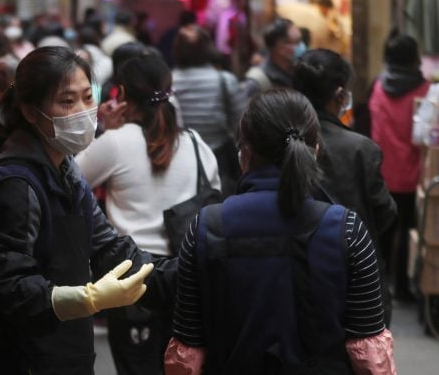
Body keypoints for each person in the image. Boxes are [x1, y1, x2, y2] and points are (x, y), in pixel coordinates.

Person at [0, 46, 175, 374]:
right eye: (67, 101)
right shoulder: (15, 184)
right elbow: (9, 286)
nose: (82, 111)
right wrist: (87, 298)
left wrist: (186, 273)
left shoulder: (67, 171)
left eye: (87, 97)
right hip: (24, 359)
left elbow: (109, 247)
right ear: (31, 111)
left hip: (69, 353)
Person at [166, 89, 396, 374]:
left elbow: (187, 352)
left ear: (244, 154)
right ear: (315, 151)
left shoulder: (206, 227)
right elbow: (370, 354)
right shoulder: (347, 229)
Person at [76, 54, 220, 375]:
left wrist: (104, 130)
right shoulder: (196, 144)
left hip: (130, 275)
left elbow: (71, 180)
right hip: (185, 274)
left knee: (136, 366)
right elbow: (214, 193)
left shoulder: (115, 142)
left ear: (122, 95)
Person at [293, 48, 397, 324]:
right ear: (340, 95)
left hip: (292, 269)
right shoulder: (361, 149)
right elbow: (384, 212)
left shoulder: (279, 141)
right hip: (354, 273)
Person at [369, 33, 431, 301]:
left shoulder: (378, 85)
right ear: (415, 58)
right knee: (408, 231)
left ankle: (377, 285)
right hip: (412, 173)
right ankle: (404, 288)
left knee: (382, 230)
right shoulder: (426, 90)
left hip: (380, 172)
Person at [172, 25, 245, 195]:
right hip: (219, 156)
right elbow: (241, 123)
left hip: (181, 156)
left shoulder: (169, 82)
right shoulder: (224, 80)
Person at [243, 18, 303, 97]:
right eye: (297, 42)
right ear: (280, 47)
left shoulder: (301, 72)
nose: (302, 46)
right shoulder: (258, 82)